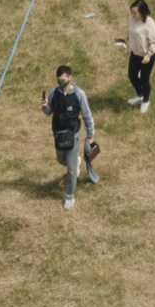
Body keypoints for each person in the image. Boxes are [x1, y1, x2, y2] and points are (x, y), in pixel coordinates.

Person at [42, 65, 98, 209]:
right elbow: (49, 111)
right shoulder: (54, 92)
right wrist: (45, 106)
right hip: (58, 134)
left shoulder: (79, 94)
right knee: (61, 159)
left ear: (70, 78)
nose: (61, 83)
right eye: (59, 80)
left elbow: (87, 115)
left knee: (71, 170)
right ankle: (75, 162)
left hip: (73, 134)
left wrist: (90, 135)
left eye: (63, 81)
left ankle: (69, 197)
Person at [124, 0, 155, 112]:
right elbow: (130, 30)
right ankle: (140, 95)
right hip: (135, 53)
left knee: (144, 79)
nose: (132, 14)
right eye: (132, 12)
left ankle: (146, 101)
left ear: (142, 12)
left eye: (135, 13)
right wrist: (126, 38)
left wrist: (149, 54)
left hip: (147, 56)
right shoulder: (131, 19)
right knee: (132, 75)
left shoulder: (149, 24)